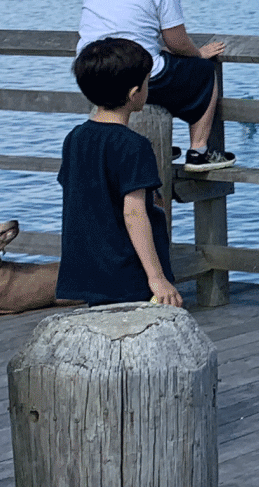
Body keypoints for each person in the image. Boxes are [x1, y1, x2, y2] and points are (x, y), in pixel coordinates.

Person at [77, 0, 234, 172]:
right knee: (202, 74)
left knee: (145, 76)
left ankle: (146, 143)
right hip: (134, 71)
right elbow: (177, 42)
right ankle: (199, 151)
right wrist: (198, 53)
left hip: (90, 70)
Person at [57, 38, 183, 308]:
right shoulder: (133, 145)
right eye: (147, 82)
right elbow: (134, 212)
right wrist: (157, 277)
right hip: (127, 270)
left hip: (90, 268)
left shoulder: (74, 138)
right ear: (134, 92)